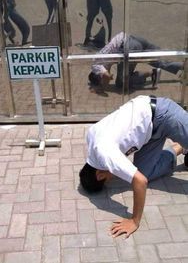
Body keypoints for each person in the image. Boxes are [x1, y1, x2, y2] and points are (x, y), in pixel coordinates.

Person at [79, 95, 188, 238]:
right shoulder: (92, 140)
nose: (111, 178)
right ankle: (181, 146)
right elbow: (142, 176)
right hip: (150, 132)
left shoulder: (106, 154)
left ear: (99, 175)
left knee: (141, 178)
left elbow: (140, 181)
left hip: (164, 114)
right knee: (146, 172)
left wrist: (134, 221)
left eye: (107, 180)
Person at [88, 32, 184, 92]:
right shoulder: (99, 57)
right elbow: (107, 74)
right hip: (133, 39)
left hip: (128, 48)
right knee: (157, 61)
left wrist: (102, 88)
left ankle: (152, 73)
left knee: (120, 84)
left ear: (98, 76)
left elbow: (107, 77)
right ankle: (184, 66)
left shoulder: (95, 66)